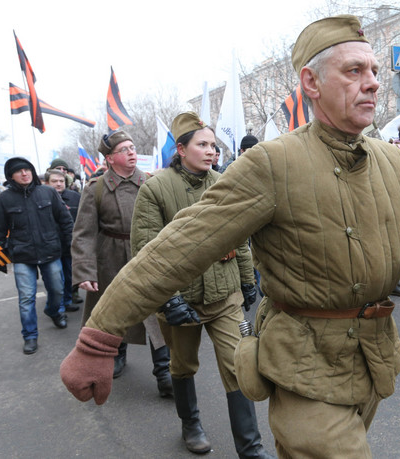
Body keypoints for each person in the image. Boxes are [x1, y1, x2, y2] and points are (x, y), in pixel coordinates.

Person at [61, 15, 400, 458]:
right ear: (310, 82)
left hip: (373, 358)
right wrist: (99, 337)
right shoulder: (273, 164)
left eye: (373, 71)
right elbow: (175, 250)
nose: (372, 83)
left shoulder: (395, 162)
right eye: (354, 71)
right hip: (303, 366)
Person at [130, 112, 272, 457]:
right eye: (202, 144)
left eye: (213, 145)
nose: (212, 151)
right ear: (181, 149)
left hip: (225, 296)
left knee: (238, 365)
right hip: (184, 301)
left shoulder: (222, 182)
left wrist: (245, 277)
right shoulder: (156, 189)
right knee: (182, 366)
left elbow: (238, 235)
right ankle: (190, 425)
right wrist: (169, 299)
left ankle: (250, 448)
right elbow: (148, 250)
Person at [70, 130, 172, 396]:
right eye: (124, 149)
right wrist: (85, 270)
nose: (132, 152)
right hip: (111, 258)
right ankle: (117, 353)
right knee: (114, 309)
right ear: (110, 158)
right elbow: (83, 233)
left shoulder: (150, 183)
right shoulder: (96, 188)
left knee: (155, 313)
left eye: (133, 147)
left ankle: (164, 371)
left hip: (146, 254)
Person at [0, 157, 72, 354]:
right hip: (22, 255)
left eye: (27, 169)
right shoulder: (3, 199)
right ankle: (30, 335)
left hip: (51, 252)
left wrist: (70, 245)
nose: (24, 173)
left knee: (58, 290)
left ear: (33, 172)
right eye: (19, 171)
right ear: (11, 176)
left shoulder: (48, 192)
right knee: (26, 298)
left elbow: (65, 221)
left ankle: (54, 311)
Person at [46, 169, 81, 312]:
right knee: (54, 279)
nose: (58, 184)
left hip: (69, 244)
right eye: (54, 181)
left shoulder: (75, 197)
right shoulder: (41, 197)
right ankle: (57, 307)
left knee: (69, 275)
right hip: (49, 246)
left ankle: (67, 300)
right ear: (47, 183)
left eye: (61, 181)